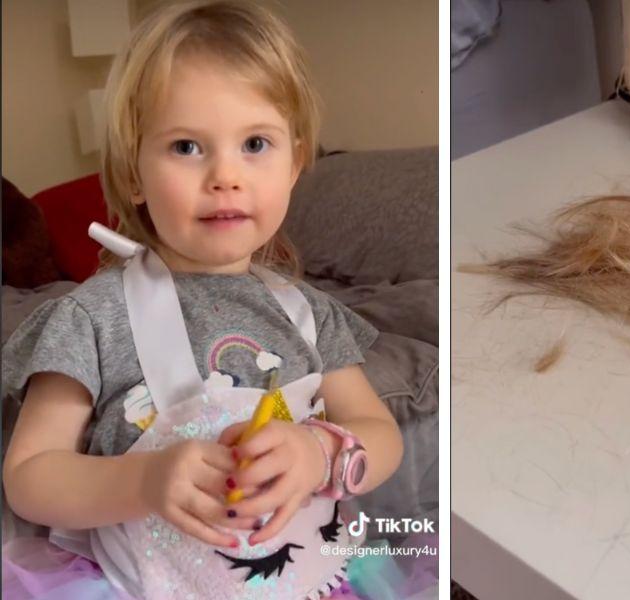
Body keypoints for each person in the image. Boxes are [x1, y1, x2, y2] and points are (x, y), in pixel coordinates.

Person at [1, 2, 431, 598]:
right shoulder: (89, 318)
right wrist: (145, 481)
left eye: (255, 142)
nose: (225, 174)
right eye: (185, 147)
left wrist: (319, 452)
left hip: (310, 576)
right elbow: (29, 477)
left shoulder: (311, 313)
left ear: (295, 163)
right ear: (133, 175)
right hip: (145, 583)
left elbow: (378, 433)